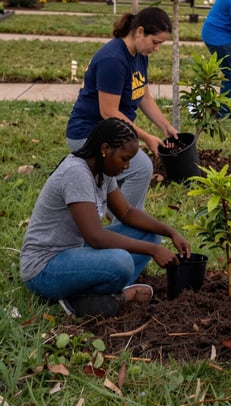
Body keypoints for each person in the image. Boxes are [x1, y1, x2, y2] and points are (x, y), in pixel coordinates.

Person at [21, 118, 192, 318]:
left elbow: (126, 212)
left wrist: (170, 232)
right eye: (125, 158)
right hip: (44, 268)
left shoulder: (102, 170)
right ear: (105, 149)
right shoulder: (76, 173)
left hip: (74, 252)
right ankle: (81, 298)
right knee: (121, 262)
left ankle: (98, 294)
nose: (127, 166)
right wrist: (153, 251)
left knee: (150, 235)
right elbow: (96, 237)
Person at [66, 7, 178, 213]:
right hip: (87, 134)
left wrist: (165, 126)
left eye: (161, 44)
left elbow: (143, 95)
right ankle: (120, 224)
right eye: (156, 42)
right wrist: (146, 137)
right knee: (142, 168)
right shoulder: (113, 60)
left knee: (139, 172)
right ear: (140, 32)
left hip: (113, 132)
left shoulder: (139, 54)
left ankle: (132, 223)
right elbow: (108, 112)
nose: (157, 48)